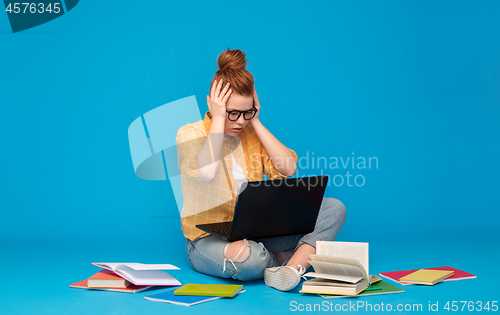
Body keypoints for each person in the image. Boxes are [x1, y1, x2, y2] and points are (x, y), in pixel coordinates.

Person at [176, 48, 346, 291]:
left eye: (246, 113)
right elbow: (207, 172)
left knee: (333, 208)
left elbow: (288, 168)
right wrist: (217, 121)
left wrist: (256, 121)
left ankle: (292, 270)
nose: (239, 122)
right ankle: (281, 259)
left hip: (256, 232)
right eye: (231, 113)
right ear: (212, 105)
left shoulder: (250, 131)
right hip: (207, 239)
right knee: (249, 259)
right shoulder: (189, 133)